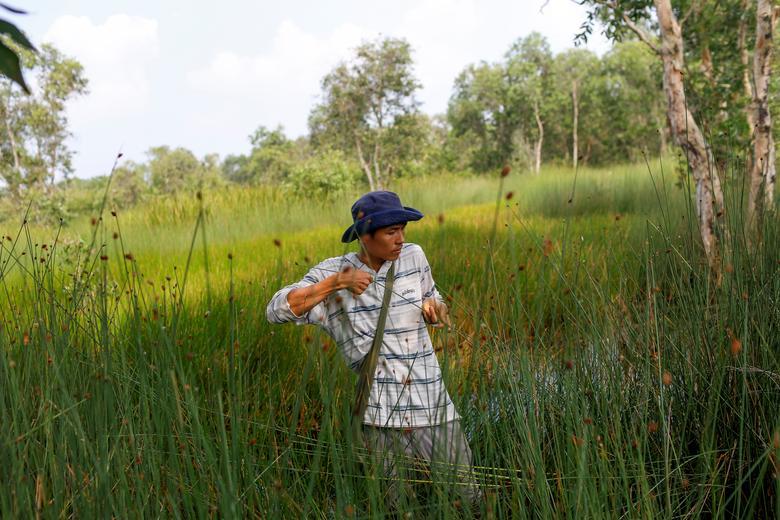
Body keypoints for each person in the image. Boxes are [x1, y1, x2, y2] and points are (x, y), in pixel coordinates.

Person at [266, 190, 480, 507]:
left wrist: (437, 309)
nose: (400, 238)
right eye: (391, 232)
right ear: (365, 237)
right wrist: (336, 283)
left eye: (403, 230)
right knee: (395, 506)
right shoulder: (333, 272)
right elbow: (276, 311)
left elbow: (436, 299)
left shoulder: (413, 256)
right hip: (379, 418)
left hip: (433, 406)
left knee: (468, 496)